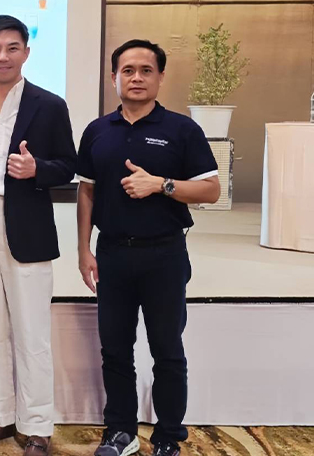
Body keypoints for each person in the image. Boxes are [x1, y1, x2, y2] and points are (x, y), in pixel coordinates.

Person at [76, 39, 220, 456]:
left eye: (145, 70)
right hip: (113, 254)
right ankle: (120, 432)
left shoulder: (182, 130)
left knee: (167, 350)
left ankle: (168, 437)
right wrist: (84, 250)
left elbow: (211, 190)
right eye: (127, 70)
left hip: (164, 255)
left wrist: (161, 184)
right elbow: (87, 191)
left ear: (160, 77)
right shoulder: (97, 131)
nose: (136, 78)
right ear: (114, 77)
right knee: (115, 350)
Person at [0, 15, 77, 456]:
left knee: (32, 334)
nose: (2, 56)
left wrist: (36, 169)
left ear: (26, 52)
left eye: (12, 48)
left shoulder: (50, 105)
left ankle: (37, 427)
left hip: (27, 226)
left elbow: (68, 166)